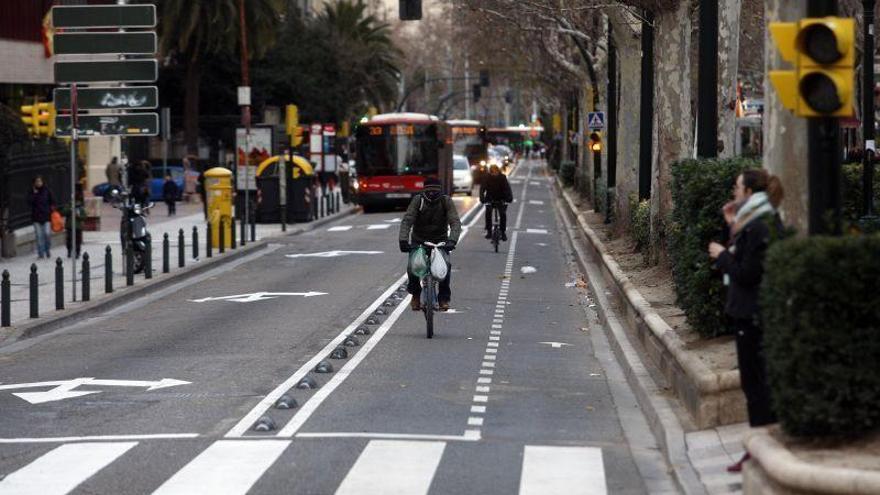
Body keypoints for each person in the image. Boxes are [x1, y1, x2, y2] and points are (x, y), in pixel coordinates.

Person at [708, 169, 784, 473]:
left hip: (752, 314)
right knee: (754, 384)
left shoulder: (761, 226)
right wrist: (732, 228)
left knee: (757, 385)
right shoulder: (755, 223)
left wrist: (722, 254)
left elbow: (746, 272)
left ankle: (762, 448)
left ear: (750, 193)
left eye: (737, 187)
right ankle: (758, 446)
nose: (734, 191)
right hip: (748, 312)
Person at [399, 177, 462, 312]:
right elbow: (407, 220)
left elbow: (455, 222)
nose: (431, 194)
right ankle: (415, 294)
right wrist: (403, 241)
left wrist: (452, 240)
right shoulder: (418, 200)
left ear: (440, 191)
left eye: (435, 191)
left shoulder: (446, 201)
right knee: (412, 267)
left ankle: (443, 298)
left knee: (446, 266)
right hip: (419, 240)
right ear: (424, 190)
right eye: (429, 191)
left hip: (440, 242)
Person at [480, 164, 514, 241]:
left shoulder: (503, 178)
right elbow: (482, 189)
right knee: (488, 212)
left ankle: (503, 232)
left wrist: (509, 198)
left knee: (503, 214)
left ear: (498, 171)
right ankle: (489, 231)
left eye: (496, 172)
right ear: (490, 172)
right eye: (492, 172)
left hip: (501, 199)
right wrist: (482, 198)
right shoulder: (487, 178)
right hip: (490, 199)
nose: (494, 174)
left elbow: (507, 188)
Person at [28, 176, 55, 259]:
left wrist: (51, 210)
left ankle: (47, 250)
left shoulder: (47, 191)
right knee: (39, 236)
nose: (38, 183)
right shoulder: (32, 192)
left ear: (42, 182)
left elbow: (52, 201)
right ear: (34, 183)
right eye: (37, 181)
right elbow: (29, 202)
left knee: (47, 234)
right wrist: (35, 194)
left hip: (46, 217)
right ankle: (41, 253)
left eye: (40, 181)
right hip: (36, 217)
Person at [59, 185, 85, 258]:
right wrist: (70, 210)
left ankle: (77, 252)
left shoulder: (80, 207)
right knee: (69, 240)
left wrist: (79, 216)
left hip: (78, 226)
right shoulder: (69, 205)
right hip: (70, 225)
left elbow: (84, 216)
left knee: (78, 240)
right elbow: (63, 212)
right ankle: (69, 251)